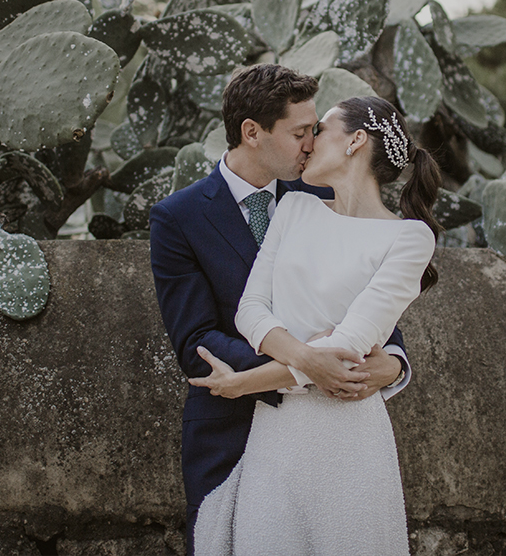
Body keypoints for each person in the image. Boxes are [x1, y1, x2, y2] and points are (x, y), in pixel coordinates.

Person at [149, 66, 412, 555]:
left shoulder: (319, 197)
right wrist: (306, 368)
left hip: (334, 432)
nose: (312, 144)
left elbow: (372, 304)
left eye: (315, 130)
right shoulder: (178, 218)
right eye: (299, 133)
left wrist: (393, 362)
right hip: (231, 426)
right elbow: (197, 340)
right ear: (252, 132)